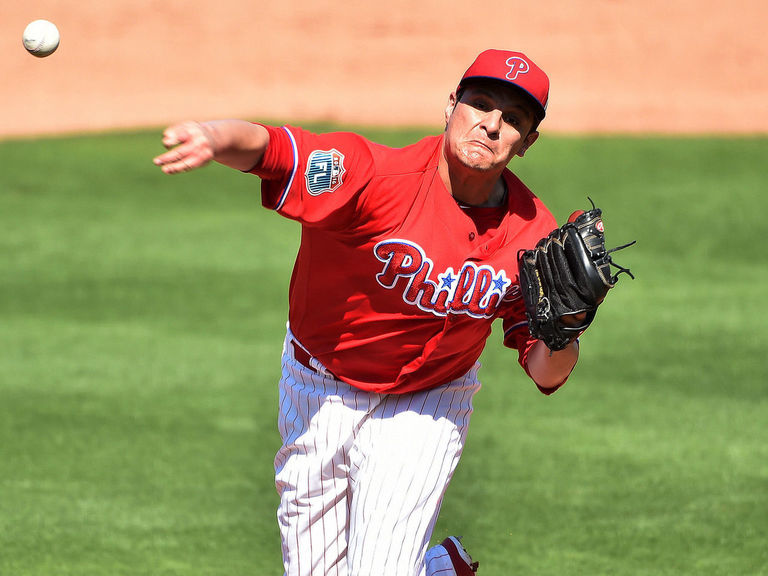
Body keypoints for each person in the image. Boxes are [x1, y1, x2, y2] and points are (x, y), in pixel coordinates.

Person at [154, 49, 579, 576]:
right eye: (481, 104)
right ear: (452, 106)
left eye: (513, 119)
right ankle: (440, 569)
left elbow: (545, 373)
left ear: (527, 141)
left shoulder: (532, 232)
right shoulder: (373, 174)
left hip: (429, 399)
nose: (491, 126)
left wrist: (564, 330)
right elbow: (274, 150)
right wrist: (214, 138)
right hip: (319, 387)